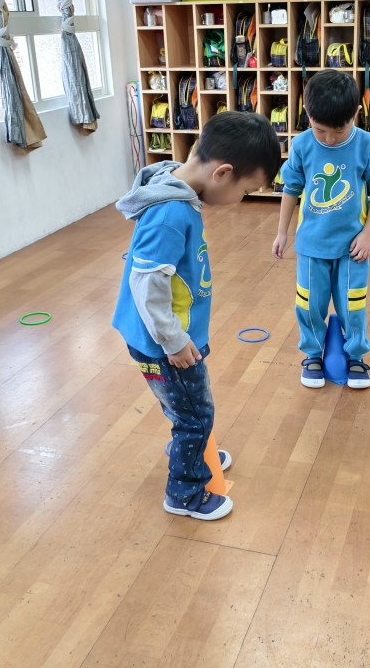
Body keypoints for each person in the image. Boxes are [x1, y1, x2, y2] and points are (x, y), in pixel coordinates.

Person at [112, 111, 280, 521]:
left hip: (164, 335)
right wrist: (173, 341)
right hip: (166, 342)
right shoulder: (172, 212)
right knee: (195, 414)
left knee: (183, 406)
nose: (243, 199)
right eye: (246, 190)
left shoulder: (175, 185)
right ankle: (185, 492)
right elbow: (147, 284)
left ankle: (191, 448)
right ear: (222, 173)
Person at [272, 70, 370, 389]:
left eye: (339, 130)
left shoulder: (367, 144)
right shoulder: (301, 145)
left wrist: (368, 233)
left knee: (353, 304)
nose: (329, 139)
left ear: (355, 114)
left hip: (353, 247)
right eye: (320, 129)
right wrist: (282, 232)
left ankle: (355, 356)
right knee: (309, 304)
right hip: (312, 245)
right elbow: (291, 189)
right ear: (307, 114)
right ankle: (312, 354)